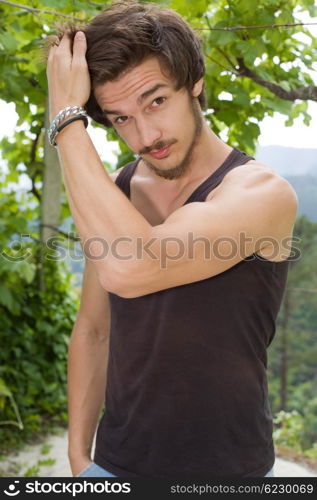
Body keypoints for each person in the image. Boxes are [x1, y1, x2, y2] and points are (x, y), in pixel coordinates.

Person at [46, 0, 297, 478]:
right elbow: (95, 329)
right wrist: (80, 457)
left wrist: (65, 117)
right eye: (120, 118)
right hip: (114, 467)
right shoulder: (115, 190)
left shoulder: (261, 193)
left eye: (156, 101)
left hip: (232, 473)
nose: (146, 134)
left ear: (195, 83)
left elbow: (134, 266)